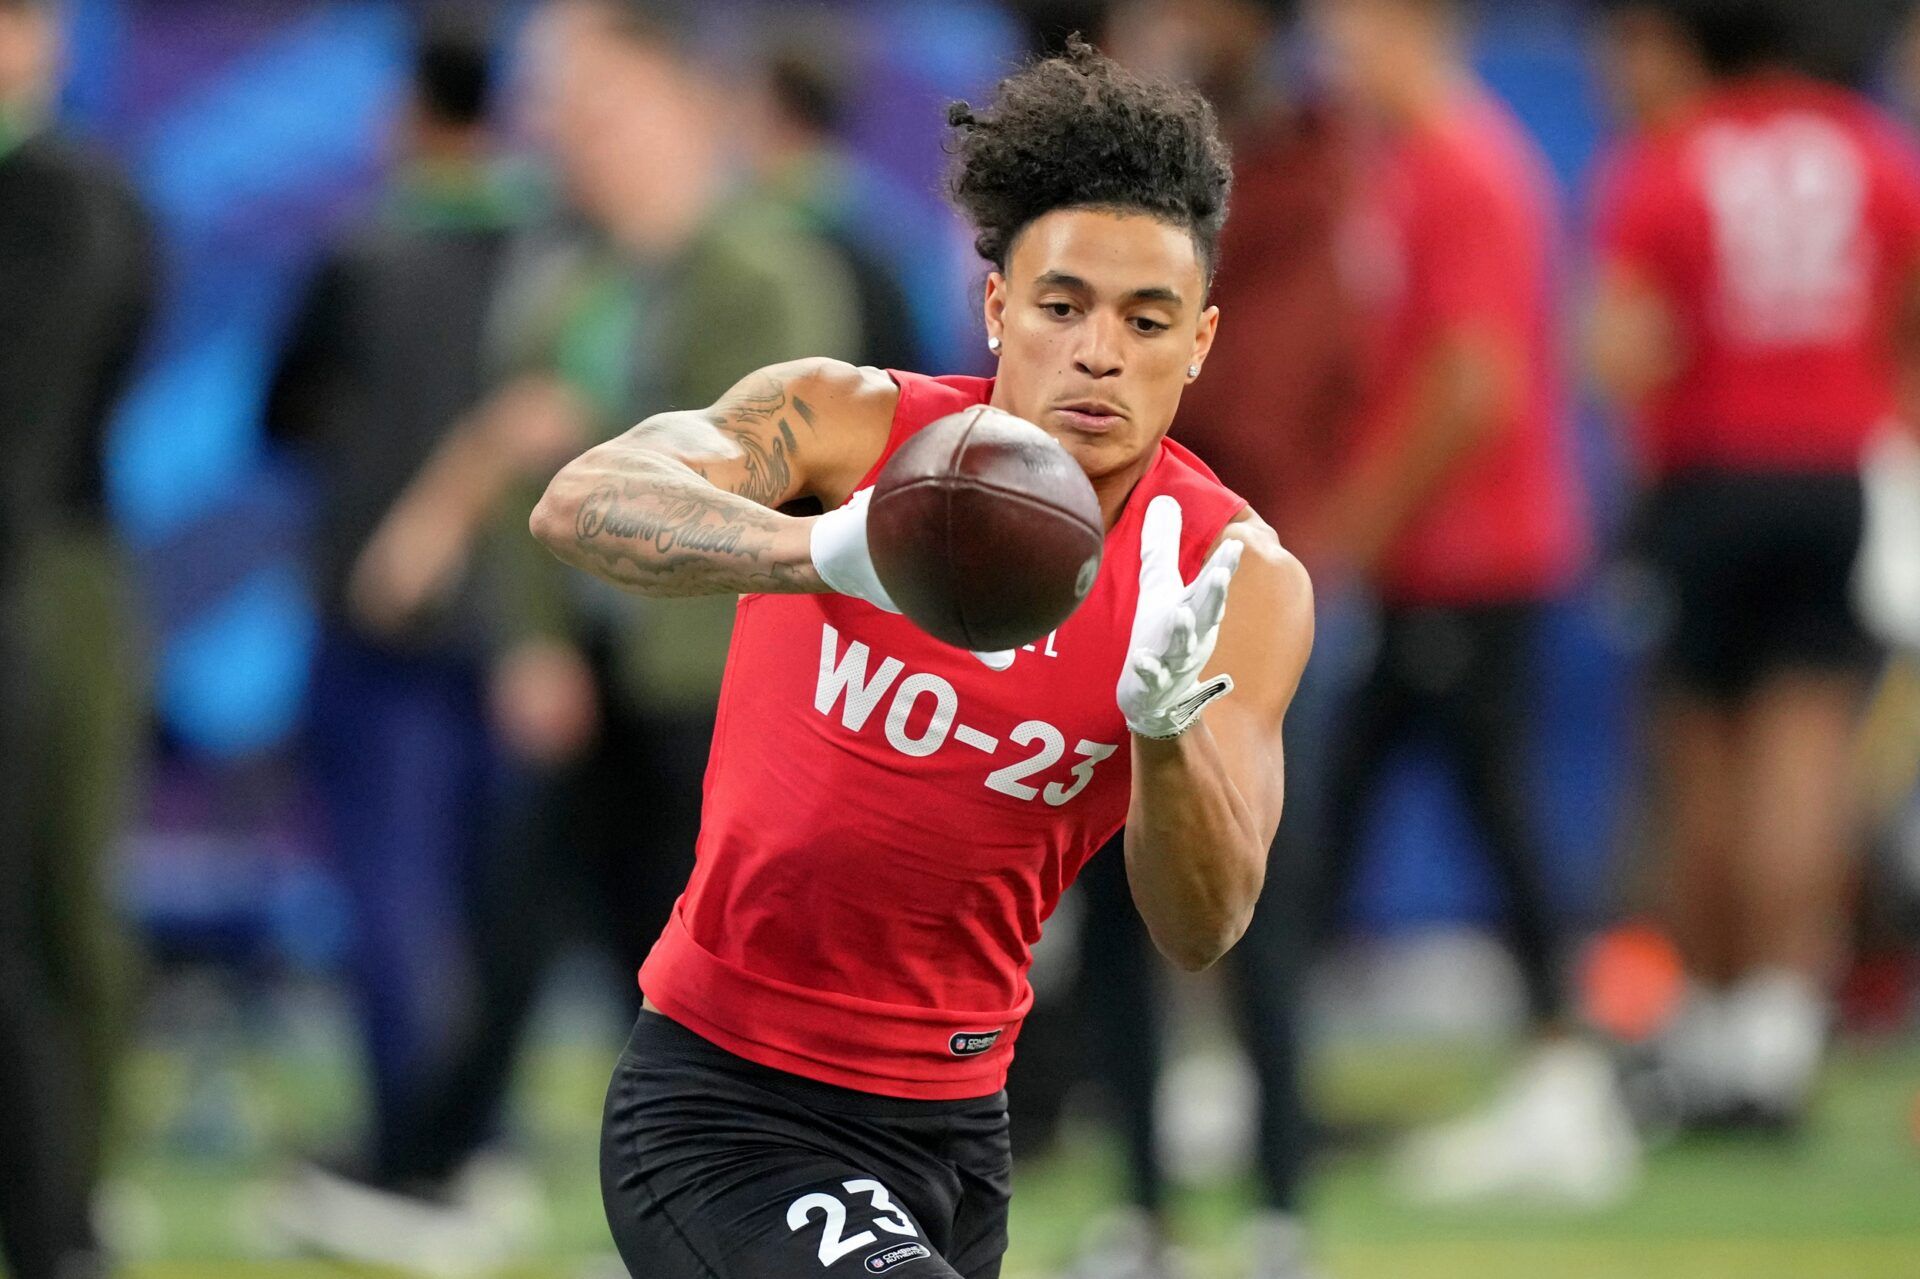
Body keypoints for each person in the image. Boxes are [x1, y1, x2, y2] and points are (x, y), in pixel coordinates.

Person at [529, 30, 1314, 1279]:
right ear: (997, 303)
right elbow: (579, 501)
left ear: (1202, 340)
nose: (1099, 351)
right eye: (1063, 306)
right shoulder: (853, 430)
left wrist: (1166, 728)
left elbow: (1204, 922)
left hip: (958, 1129)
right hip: (730, 1101)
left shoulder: (1235, 579)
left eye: (1147, 319)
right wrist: (824, 553)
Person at [275, 3, 870, 1269]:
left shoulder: (764, 273)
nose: (563, 133)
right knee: (541, 929)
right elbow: (532, 487)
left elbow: (764, 492)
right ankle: (438, 1170)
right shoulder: (572, 276)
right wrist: (535, 641)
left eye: (589, 104)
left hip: (720, 684)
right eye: (556, 106)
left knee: (719, 972)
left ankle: (758, 1199)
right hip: (602, 675)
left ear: (670, 106)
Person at [1303, 0, 1626, 1207]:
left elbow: (1474, 381)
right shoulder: (1404, 167)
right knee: (1344, 805)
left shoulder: (1466, 169)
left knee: (1489, 811)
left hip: (1475, 553)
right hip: (1434, 558)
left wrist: (1352, 528)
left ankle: (1568, 1075)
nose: (1332, 52)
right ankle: (1268, 1054)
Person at [1056, 1, 1360, 1275]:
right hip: (1112, 555)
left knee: (1252, 893)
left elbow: (1269, 392)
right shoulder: (1115, 191)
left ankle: (1281, 1206)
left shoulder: (1308, 169)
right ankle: (1149, 1206)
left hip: (1248, 561)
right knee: (1107, 890)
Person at [1590, 0, 1920, 1131]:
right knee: (1808, 753)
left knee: (1703, 763)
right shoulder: (1874, 152)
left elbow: (1622, 348)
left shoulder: (1673, 156)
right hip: (1835, 476)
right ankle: (1778, 1029)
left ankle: (1712, 1024)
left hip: (1712, 474)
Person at [263, 18, 542, 1231]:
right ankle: (476, 1140)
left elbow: (280, 419)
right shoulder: (559, 253)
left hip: (382, 619)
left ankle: (404, 1146)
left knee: (387, 896)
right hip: (521, 623)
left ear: (408, 112)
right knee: (500, 904)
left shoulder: (361, 251)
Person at [0, 0, 157, 1274]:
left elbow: (30, 422)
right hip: (48, 569)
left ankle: (64, 1211)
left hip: (42, 577)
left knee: (44, 911)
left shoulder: (62, 193)